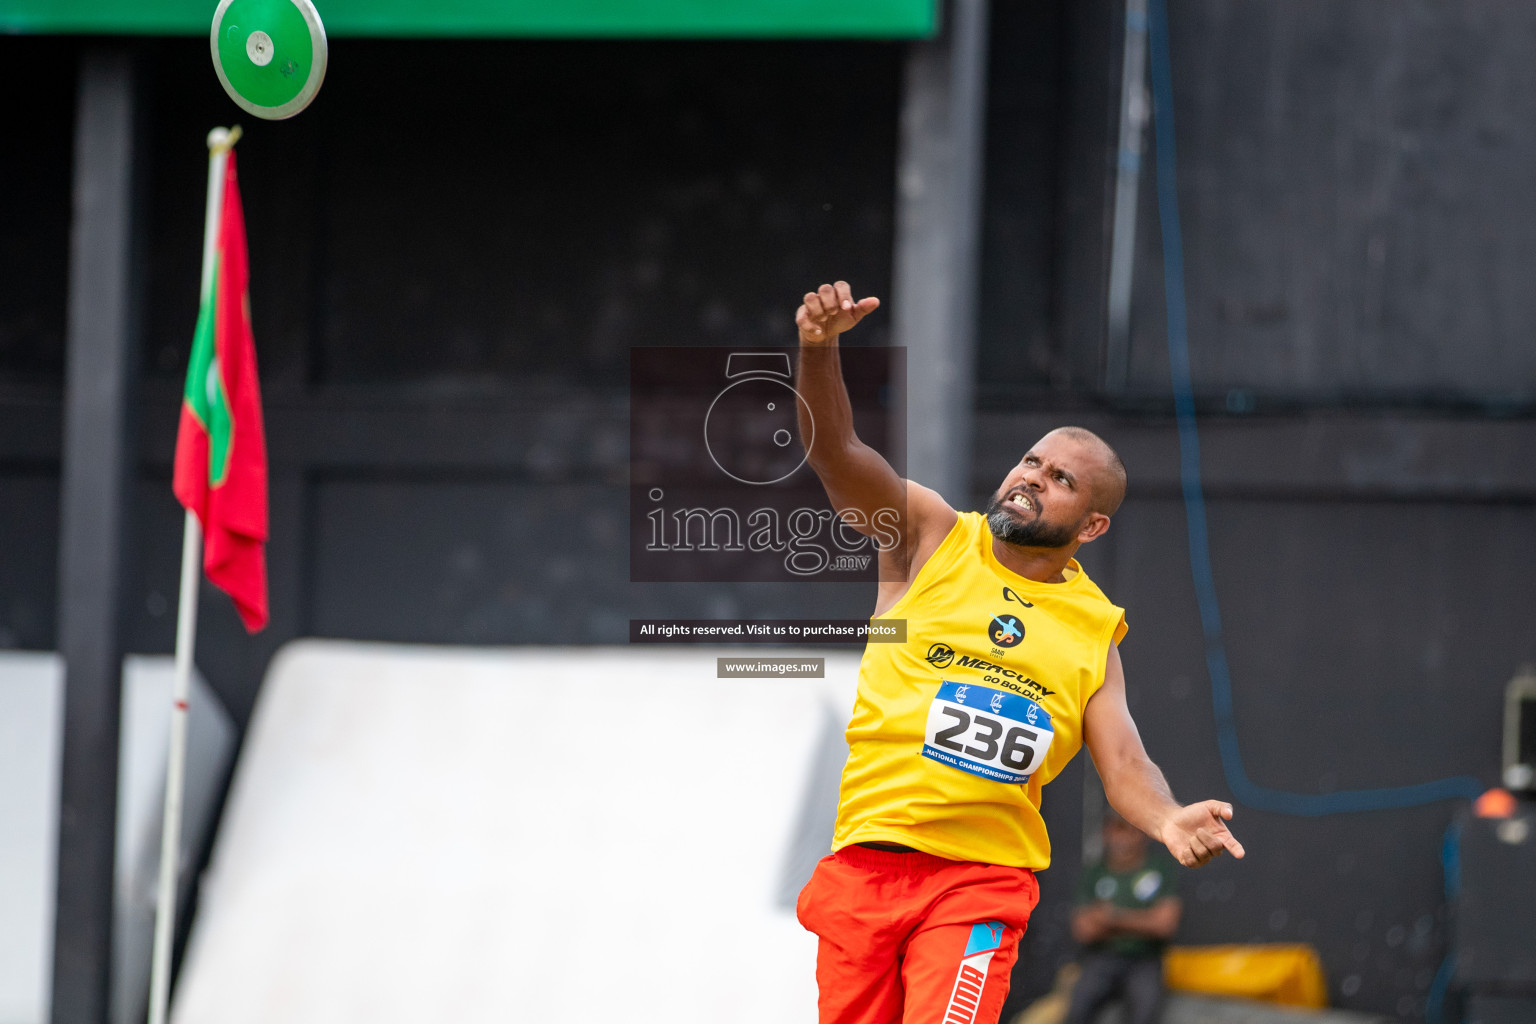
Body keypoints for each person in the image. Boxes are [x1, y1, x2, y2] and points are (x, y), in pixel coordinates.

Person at [790, 282, 1243, 1024]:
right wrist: (817, 350)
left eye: (1060, 478)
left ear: (1091, 527)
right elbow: (836, 451)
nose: (1032, 475)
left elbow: (1124, 761)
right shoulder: (929, 535)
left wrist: (1165, 819)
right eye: (1032, 460)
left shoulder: (1094, 628)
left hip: (977, 883)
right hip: (866, 865)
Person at [1065, 809, 1182, 1024]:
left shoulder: (1160, 869)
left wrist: (1111, 917)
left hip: (1145, 961)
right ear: (1106, 832)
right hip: (1102, 959)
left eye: (1133, 831)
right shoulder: (1094, 873)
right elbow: (1083, 930)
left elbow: (1165, 925)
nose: (1125, 838)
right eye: (1118, 829)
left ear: (1144, 834)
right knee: (1076, 1010)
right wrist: (1143, 921)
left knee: (1145, 1014)